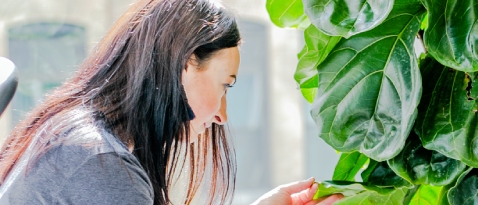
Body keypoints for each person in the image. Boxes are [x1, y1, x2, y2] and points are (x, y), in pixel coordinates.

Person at [0, 0, 342, 204]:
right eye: (225, 86)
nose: (222, 116)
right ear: (185, 63)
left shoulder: (80, 141)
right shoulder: (102, 164)